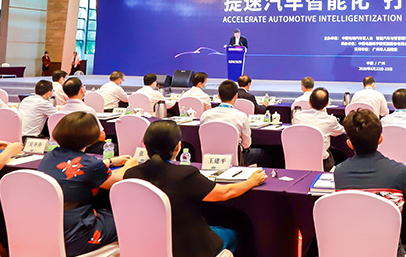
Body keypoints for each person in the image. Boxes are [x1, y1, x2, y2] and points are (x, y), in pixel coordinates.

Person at [125, 121, 267, 257]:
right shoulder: (185, 175)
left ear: (145, 145)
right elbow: (225, 193)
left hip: (147, 245)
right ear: (178, 146)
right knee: (235, 232)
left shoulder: (131, 175)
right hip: (188, 248)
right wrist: (252, 181)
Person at [335, 109, 406, 257]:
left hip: (350, 250)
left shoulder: (339, 172)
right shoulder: (400, 172)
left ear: (349, 144)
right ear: (380, 139)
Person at [37, 112, 137, 257]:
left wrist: (109, 161)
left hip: (47, 227)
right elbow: (118, 181)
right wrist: (130, 165)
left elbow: (80, 168)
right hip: (75, 233)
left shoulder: (50, 156)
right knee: (130, 221)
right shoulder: (92, 165)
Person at [199, 80, 264, 166]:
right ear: (236, 96)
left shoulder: (205, 115)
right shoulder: (241, 116)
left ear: (219, 96)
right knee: (262, 153)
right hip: (235, 158)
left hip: (209, 158)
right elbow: (246, 144)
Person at [292, 87, 345, 171]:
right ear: (327, 104)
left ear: (309, 102)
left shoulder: (297, 116)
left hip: (298, 160)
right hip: (322, 163)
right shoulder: (330, 120)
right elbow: (340, 131)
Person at [61, 77, 106, 142]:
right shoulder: (88, 111)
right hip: (86, 146)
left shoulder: (60, 111)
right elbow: (101, 136)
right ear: (82, 90)